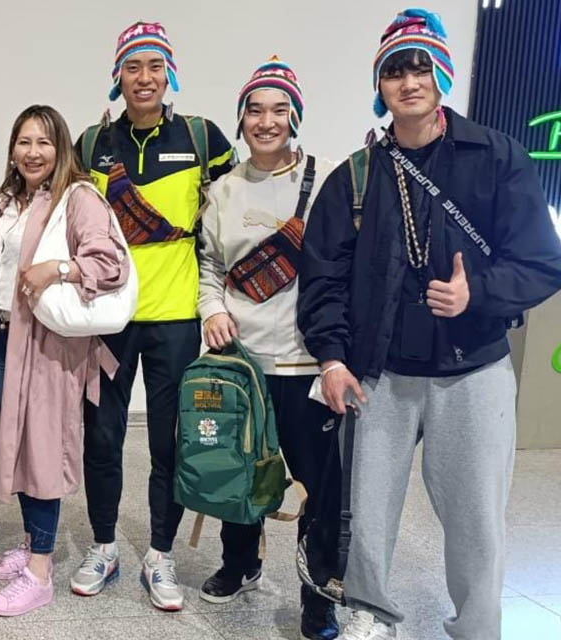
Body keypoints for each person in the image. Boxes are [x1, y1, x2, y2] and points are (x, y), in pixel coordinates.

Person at [298, 9, 561, 640]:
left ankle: (477, 628)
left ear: (440, 71)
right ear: (379, 84)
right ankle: (369, 613)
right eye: (394, 70)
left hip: (475, 370)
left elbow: (542, 263)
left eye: (420, 66)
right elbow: (322, 277)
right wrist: (332, 359)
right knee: (367, 511)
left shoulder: (496, 157)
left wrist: (481, 294)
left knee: (476, 519)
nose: (409, 81)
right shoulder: (355, 176)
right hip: (378, 373)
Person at [71, 19, 235, 610]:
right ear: (118, 75)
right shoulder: (91, 144)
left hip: (175, 318)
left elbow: (229, 218)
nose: (144, 78)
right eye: (133, 67)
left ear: (170, 74)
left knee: (169, 441)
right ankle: (104, 545)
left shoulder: (202, 136)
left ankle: (160, 553)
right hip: (109, 318)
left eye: (155, 67)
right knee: (103, 436)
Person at [195, 56, 341, 640]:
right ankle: (240, 563)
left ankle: (318, 593)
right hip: (243, 364)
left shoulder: (328, 180)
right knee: (238, 473)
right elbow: (208, 264)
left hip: (307, 363)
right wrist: (213, 310)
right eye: (254, 110)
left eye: (279, 109)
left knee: (322, 488)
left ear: (295, 116)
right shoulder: (223, 190)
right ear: (241, 120)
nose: (266, 121)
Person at [0, 105, 130, 617]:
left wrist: (57, 268)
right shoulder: (5, 200)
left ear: (61, 147)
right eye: (23, 142)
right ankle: (31, 540)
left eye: (44, 142)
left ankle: (40, 572)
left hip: (46, 346)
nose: (32, 152)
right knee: (17, 446)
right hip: (1, 337)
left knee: (40, 451)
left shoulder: (79, 197)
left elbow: (110, 264)